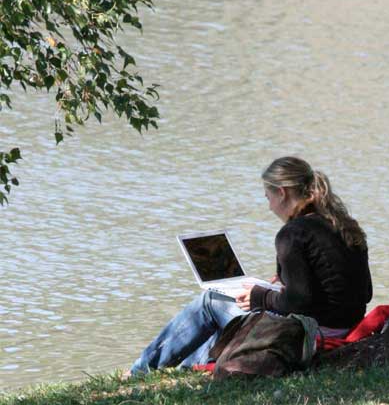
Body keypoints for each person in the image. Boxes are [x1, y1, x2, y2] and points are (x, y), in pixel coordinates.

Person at [127, 156, 372, 376]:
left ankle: (140, 370)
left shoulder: (292, 233)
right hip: (345, 326)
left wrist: (261, 296)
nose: (269, 206)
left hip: (311, 334)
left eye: (268, 197)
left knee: (211, 301)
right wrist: (284, 281)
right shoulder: (342, 225)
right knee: (222, 317)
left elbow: (300, 300)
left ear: (282, 192)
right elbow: (363, 291)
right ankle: (182, 368)